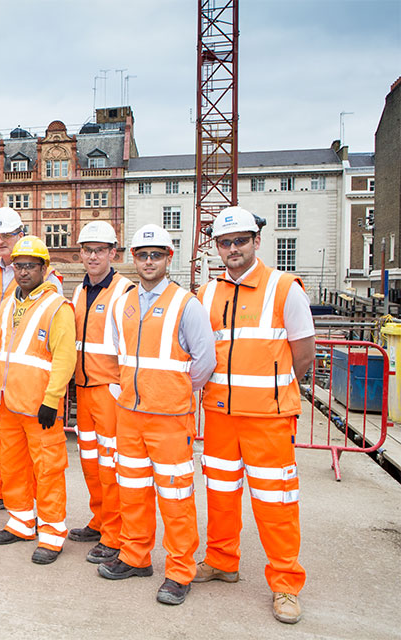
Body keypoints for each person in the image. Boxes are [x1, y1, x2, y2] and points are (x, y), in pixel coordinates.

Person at [193, 207, 314, 624]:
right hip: (221, 415)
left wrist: (274, 390)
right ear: (217, 247)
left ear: (256, 241)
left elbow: (304, 354)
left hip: (268, 419)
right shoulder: (208, 293)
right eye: (225, 243)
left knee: (276, 502)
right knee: (221, 495)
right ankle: (222, 561)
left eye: (240, 241)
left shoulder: (284, 289)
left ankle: (285, 584)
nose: (232, 249)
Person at [97, 223, 216, 607]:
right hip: (129, 415)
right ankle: (135, 555)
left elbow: (204, 362)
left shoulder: (187, 304)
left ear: (168, 257)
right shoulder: (124, 302)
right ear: (133, 258)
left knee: (175, 495)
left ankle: (180, 571)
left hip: (169, 418)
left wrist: (174, 391)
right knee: (132, 490)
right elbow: (120, 354)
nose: (149, 261)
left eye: (157, 255)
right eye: (143, 255)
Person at [0, 236, 76, 564]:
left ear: (44, 269)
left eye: (30, 266)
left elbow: (65, 357)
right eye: (19, 265)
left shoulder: (57, 307)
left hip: (40, 407)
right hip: (9, 403)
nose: (23, 272)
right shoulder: (9, 304)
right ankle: (22, 521)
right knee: (13, 466)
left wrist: (53, 399)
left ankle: (51, 533)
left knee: (48, 468)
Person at [0, 206, 62, 514]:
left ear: (20, 234)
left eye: (6, 235)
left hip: (30, 374)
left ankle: (37, 506)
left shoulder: (45, 275)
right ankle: (0, 491)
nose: (0, 241)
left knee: (35, 448)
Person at [68, 221, 135, 564]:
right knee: (92, 463)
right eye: (87, 250)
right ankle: (100, 519)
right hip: (84, 387)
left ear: (113, 253)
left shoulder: (124, 291)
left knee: (111, 466)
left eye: (99, 250)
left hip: (109, 391)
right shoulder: (80, 291)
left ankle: (115, 534)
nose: (92, 256)